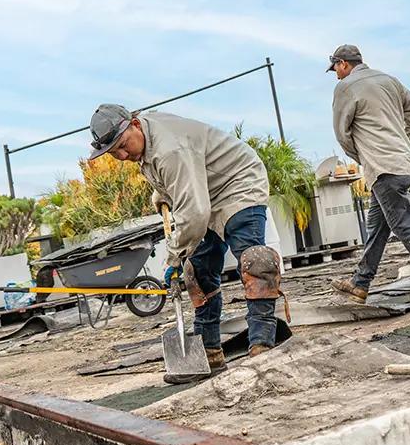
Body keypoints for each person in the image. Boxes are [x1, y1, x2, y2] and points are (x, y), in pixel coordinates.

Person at [87, 104, 282, 383]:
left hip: (237, 183)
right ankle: (208, 352)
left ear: (135, 124)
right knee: (198, 271)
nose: (122, 155)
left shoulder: (170, 149)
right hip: (204, 189)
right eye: (114, 153)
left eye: (122, 145)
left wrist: (174, 258)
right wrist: (161, 193)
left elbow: (194, 213)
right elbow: (181, 185)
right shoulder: (146, 140)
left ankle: (263, 346)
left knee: (255, 262)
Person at [326, 44, 410, 303]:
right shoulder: (388, 79)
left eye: (336, 68)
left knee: (404, 225)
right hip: (401, 162)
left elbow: (342, 133)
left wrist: (363, 157)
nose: (336, 74)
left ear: (343, 63)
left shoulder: (345, 87)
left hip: (382, 167)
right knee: (377, 228)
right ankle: (360, 283)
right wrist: (407, 141)